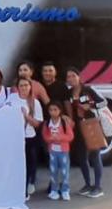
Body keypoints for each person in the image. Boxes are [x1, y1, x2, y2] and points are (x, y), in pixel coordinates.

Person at [67, 67, 107, 198]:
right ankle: (87, 184)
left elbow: (103, 102)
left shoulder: (88, 90)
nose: (71, 79)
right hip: (78, 127)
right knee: (82, 157)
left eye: (73, 75)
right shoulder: (69, 93)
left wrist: (91, 106)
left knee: (95, 155)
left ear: (79, 77)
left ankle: (98, 186)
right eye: (69, 77)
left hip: (90, 125)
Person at [6, 78, 43, 198]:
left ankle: (27, 186)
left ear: (30, 86)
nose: (24, 88)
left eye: (26, 85)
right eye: (21, 85)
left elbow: (37, 124)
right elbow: (4, 114)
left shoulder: (35, 102)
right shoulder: (12, 98)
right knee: (16, 164)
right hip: (14, 136)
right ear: (17, 87)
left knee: (28, 163)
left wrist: (26, 116)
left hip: (29, 137)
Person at [42, 101, 73, 201]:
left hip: (63, 151)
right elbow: (45, 135)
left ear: (60, 111)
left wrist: (60, 138)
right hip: (52, 151)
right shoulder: (47, 123)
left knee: (64, 171)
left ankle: (65, 190)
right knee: (53, 171)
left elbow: (70, 136)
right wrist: (50, 139)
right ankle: (54, 190)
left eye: (55, 110)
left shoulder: (64, 123)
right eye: (51, 110)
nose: (53, 112)